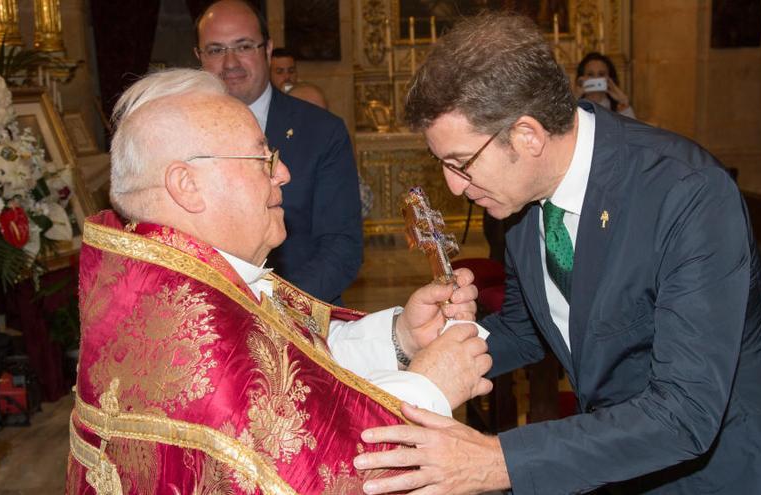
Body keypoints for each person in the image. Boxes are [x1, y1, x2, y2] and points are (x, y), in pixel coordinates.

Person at [353, 13, 761, 494]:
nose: (455, 187)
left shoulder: (686, 195)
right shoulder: (521, 202)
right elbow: (528, 330)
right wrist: (437, 346)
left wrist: (498, 461)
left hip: (735, 470)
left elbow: (686, 412)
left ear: (528, 135)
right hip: (620, 458)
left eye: (460, 164)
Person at [65, 68, 492, 494]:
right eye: (262, 158)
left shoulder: (172, 279)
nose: (283, 172)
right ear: (187, 186)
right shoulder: (193, 333)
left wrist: (399, 340)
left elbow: (287, 374)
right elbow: (311, 472)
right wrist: (427, 387)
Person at [196, 0, 361, 304]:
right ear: (199, 57)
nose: (230, 62)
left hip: (300, 316)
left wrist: (274, 307)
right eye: (216, 50)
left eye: (244, 46)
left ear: (267, 50)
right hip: (205, 318)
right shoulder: (181, 133)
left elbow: (341, 246)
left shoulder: (322, 132)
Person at [574, 51, 635, 118]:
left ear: (610, 78)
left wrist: (624, 102)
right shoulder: (576, 105)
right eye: (590, 74)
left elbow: (633, 128)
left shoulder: (619, 108)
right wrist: (573, 100)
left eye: (601, 74)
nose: (596, 78)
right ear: (581, 78)